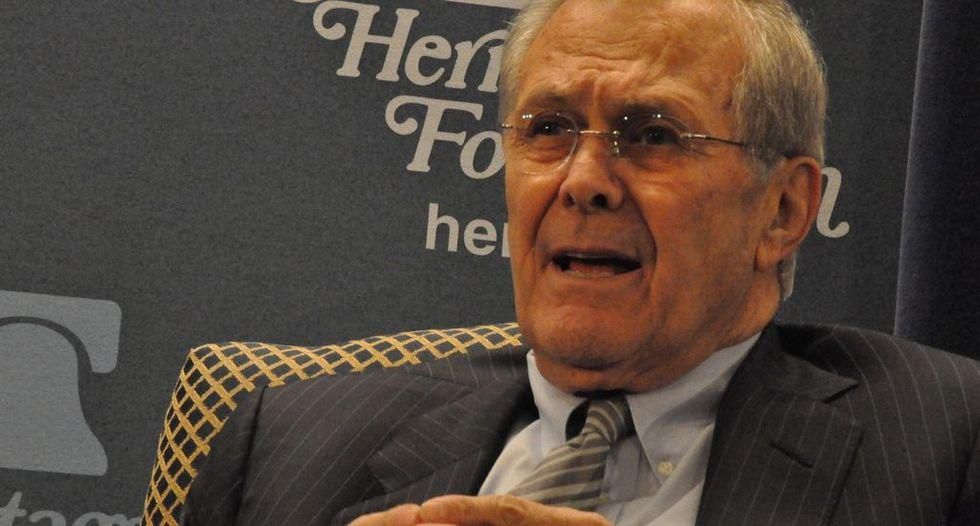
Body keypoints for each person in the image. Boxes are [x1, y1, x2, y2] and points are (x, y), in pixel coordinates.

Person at [180, 0, 980, 524]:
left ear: (783, 211)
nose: (584, 180)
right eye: (549, 129)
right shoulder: (291, 447)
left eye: (655, 135)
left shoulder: (942, 447)